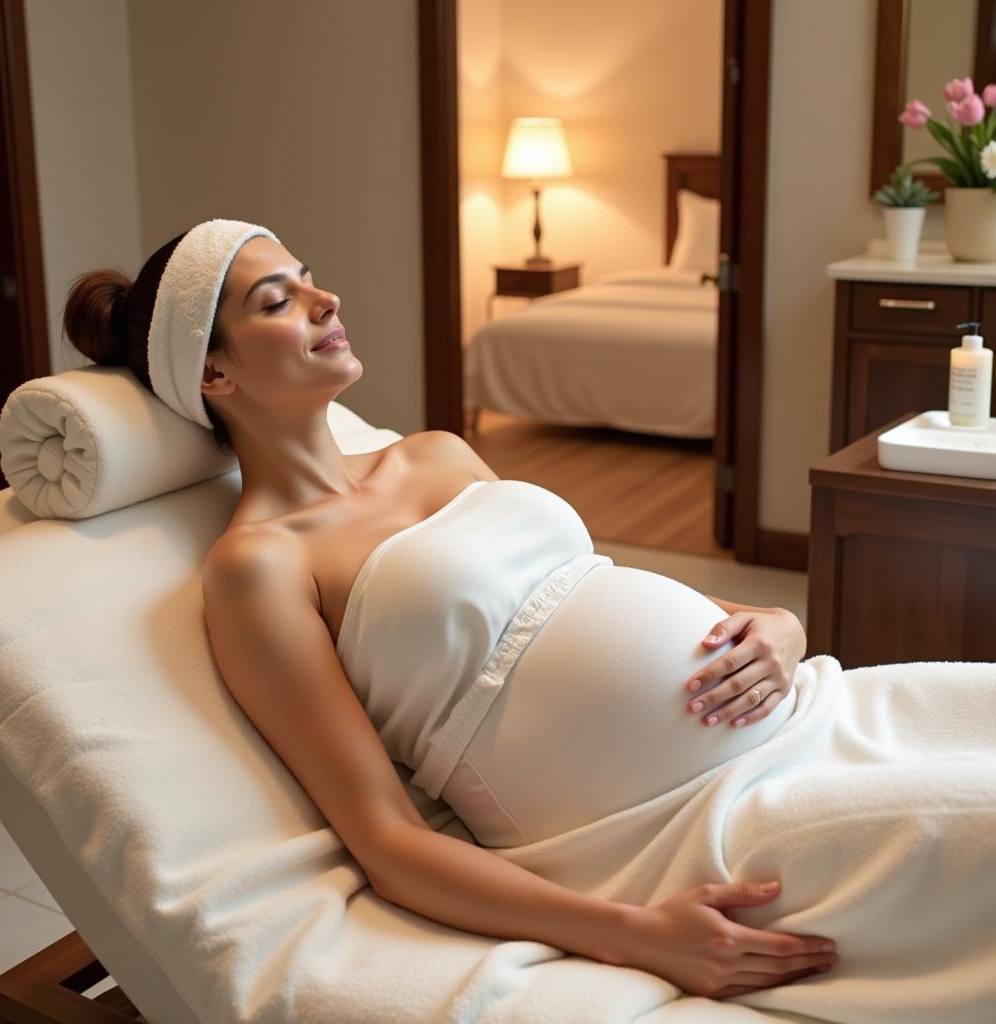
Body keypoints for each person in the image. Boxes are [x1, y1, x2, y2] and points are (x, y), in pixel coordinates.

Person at [63, 220, 838, 1001]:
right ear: (215, 375)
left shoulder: (435, 451)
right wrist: (639, 939)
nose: (325, 301)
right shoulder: (258, 565)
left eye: (309, 279)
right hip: (659, 829)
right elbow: (388, 841)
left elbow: (586, 587)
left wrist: (777, 621)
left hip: (794, 719)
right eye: (279, 302)